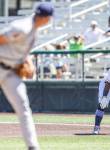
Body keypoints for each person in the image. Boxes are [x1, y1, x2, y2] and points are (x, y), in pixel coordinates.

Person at [0, 2, 54, 150]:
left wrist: (28, 62)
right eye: (50, 18)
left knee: (23, 108)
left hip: (11, 72)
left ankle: (32, 146)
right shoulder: (22, 27)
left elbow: (22, 51)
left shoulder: (34, 30)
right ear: (45, 17)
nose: (50, 20)